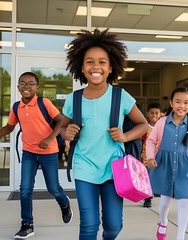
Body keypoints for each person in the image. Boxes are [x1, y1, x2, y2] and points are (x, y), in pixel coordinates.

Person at [61, 29, 148, 240]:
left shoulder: (120, 96)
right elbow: (62, 127)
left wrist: (126, 136)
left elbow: (143, 124)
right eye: (89, 62)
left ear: (110, 68)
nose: (96, 66)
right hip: (84, 167)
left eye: (102, 62)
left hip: (114, 169)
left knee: (113, 225)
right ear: (81, 67)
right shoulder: (74, 99)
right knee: (89, 225)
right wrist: (67, 132)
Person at [0, 72, 72, 239]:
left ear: (37, 87)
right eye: (22, 83)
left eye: (30, 83)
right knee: (25, 190)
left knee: (53, 188)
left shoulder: (44, 103)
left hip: (48, 152)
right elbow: (9, 127)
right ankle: (27, 224)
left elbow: (61, 121)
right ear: (18, 87)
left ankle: (64, 203)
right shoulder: (17, 107)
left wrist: (50, 138)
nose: (26, 86)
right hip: (29, 152)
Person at [146, 87, 188, 240]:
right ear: (171, 103)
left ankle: (180, 237)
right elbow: (151, 140)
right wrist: (150, 157)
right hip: (164, 165)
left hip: (185, 168)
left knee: (183, 203)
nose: (182, 105)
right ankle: (163, 221)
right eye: (178, 102)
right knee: (165, 202)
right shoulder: (162, 122)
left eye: (186, 102)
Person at [141, 102, 162, 208]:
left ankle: (156, 190)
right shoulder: (145, 127)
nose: (154, 115)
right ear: (147, 114)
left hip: (159, 157)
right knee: (147, 178)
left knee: (157, 176)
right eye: (152, 113)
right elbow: (141, 141)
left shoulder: (162, 127)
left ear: (160, 114)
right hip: (146, 157)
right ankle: (147, 198)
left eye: (156, 113)